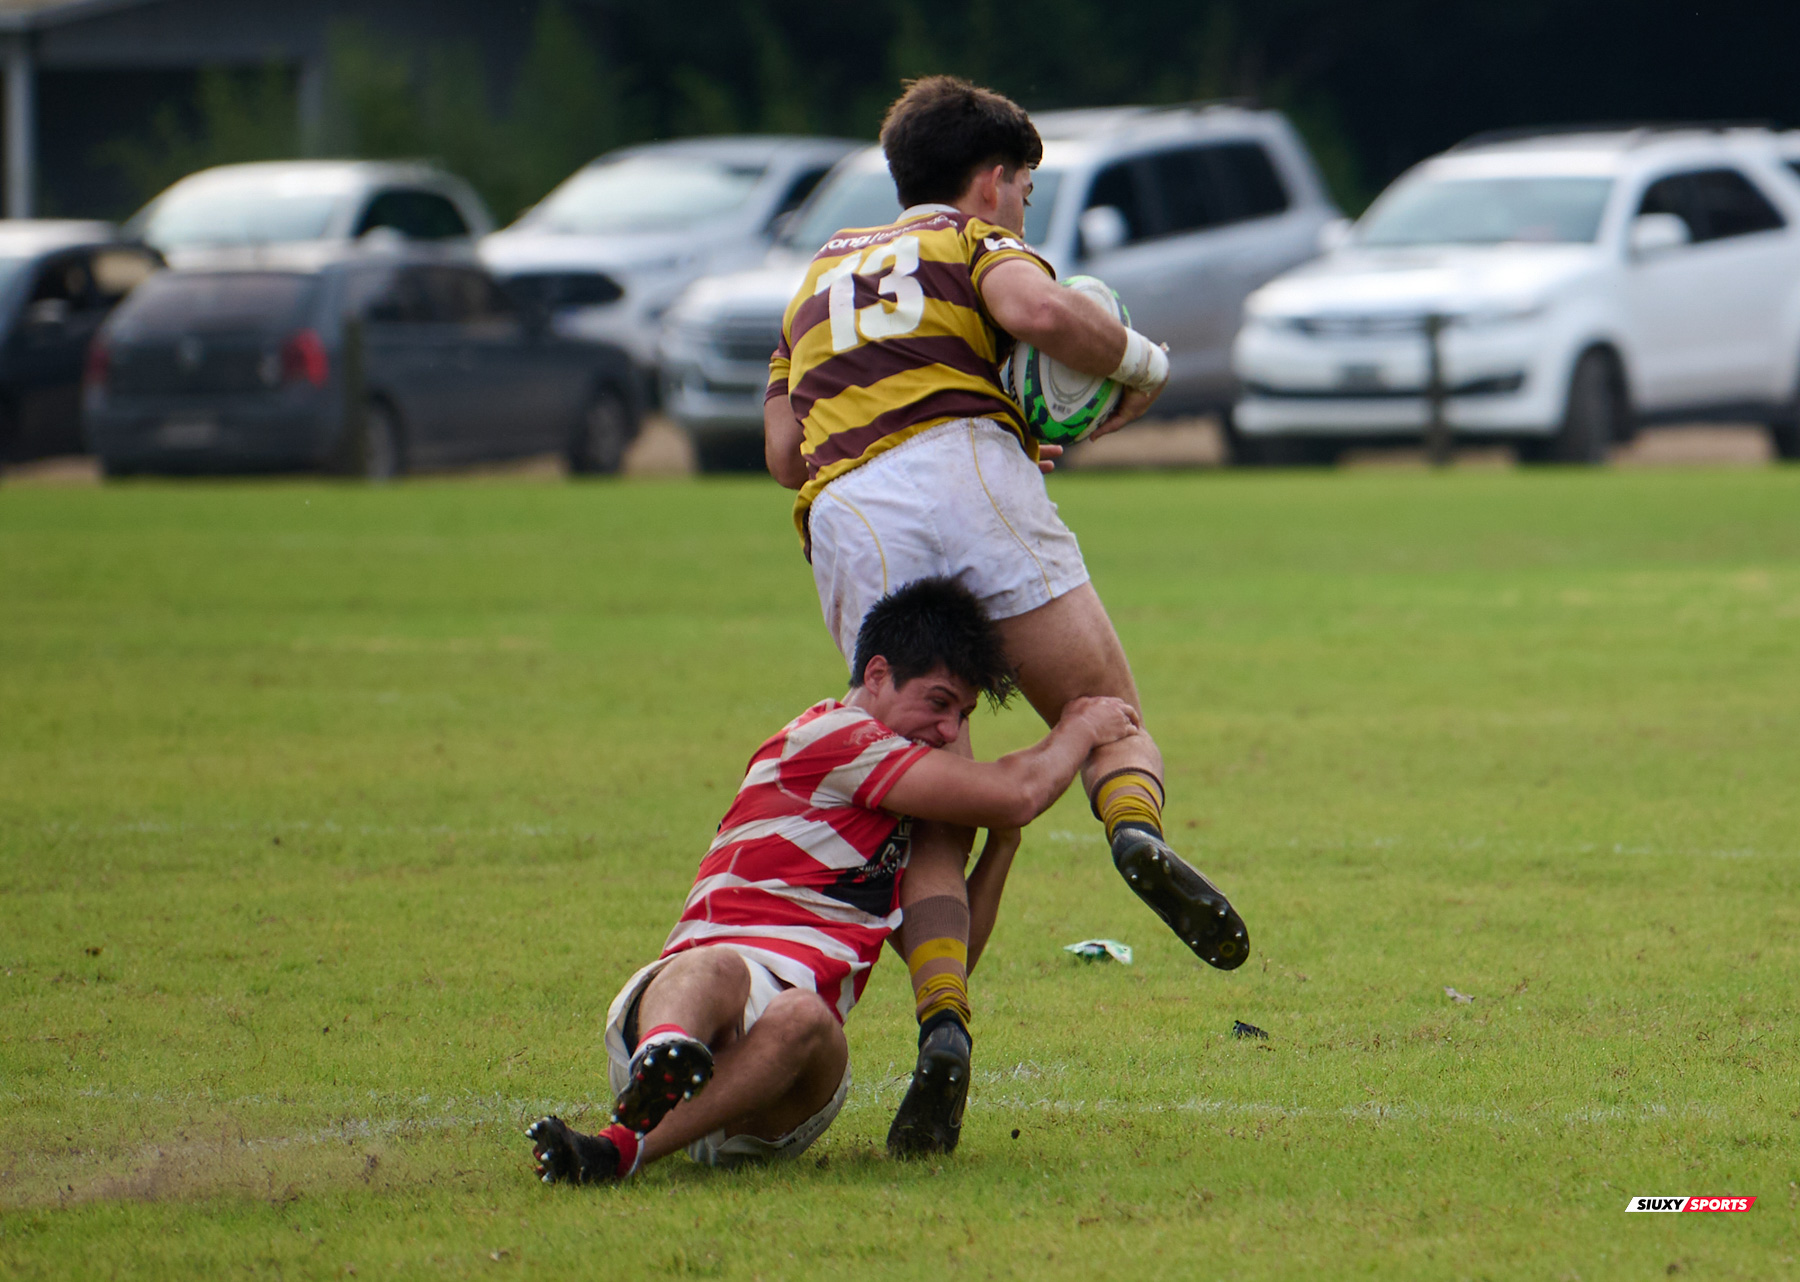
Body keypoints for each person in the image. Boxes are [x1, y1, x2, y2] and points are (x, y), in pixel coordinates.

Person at [761, 75, 1251, 1154]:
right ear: (993, 180)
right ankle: (1132, 829)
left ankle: (944, 1023)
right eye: (1024, 190)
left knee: (929, 775)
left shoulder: (813, 279)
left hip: (848, 516)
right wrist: (1141, 366)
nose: (1022, 210)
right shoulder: (974, 244)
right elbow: (1036, 314)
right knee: (1106, 708)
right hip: (962, 476)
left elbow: (783, 451)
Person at [528, 577, 1143, 1183]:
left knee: (808, 1017)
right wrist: (1080, 727)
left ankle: (629, 1135)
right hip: (695, 1006)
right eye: (937, 702)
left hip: (777, 1088)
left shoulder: (898, 809)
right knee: (717, 966)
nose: (951, 732)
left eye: (963, 713)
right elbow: (1017, 791)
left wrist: (1001, 847)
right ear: (876, 675)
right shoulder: (836, 738)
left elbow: (952, 950)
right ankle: (654, 1078)